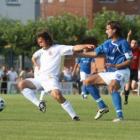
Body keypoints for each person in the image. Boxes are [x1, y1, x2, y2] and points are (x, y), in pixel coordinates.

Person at [18, 30, 94, 121]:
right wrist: (37, 65)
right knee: (21, 85)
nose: (40, 45)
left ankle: (74, 116)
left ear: (48, 40)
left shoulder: (58, 48)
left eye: (41, 42)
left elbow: (74, 48)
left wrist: (85, 46)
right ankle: (39, 104)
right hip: (39, 79)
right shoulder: (41, 51)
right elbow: (33, 57)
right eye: (39, 43)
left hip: (50, 79)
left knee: (58, 96)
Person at [75, 20, 134, 122]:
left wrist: (116, 65)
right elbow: (94, 53)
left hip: (122, 71)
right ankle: (102, 106)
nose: (106, 31)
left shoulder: (123, 43)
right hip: (111, 72)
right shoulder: (107, 43)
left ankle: (120, 116)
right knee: (87, 82)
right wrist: (79, 54)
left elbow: (131, 60)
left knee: (112, 86)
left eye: (108, 29)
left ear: (114, 30)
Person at [124, 30, 140, 104]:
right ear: (131, 44)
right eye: (133, 43)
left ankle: (128, 88)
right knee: (127, 86)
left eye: (135, 43)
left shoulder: (138, 50)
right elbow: (127, 43)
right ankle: (126, 100)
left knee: (133, 87)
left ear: (137, 45)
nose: (134, 44)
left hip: (135, 71)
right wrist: (128, 36)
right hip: (128, 69)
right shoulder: (129, 49)